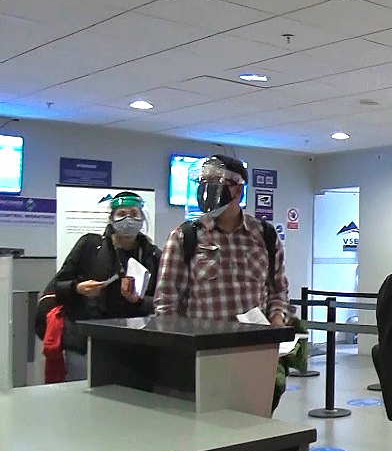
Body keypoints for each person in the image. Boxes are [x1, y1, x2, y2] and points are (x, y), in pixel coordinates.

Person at [36, 192, 162, 381]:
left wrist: (138, 300)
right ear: (111, 218)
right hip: (86, 344)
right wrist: (78, 288)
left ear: (142, 218)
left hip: (133, 350)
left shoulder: (153, 256)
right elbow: (57, 288)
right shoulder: (89, 245)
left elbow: (162, 305)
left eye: (134, 213)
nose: (128, 219)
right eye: (121, 213)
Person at [153, 155, 290, 326]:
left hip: (255, 346)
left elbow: (279, 292)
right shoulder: (183, 237)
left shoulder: (265, 235)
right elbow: (166, 303)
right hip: (204, 347)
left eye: (215, 181)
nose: (206, 189)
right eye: (202, 182)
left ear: (238, 191)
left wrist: (277, 320)